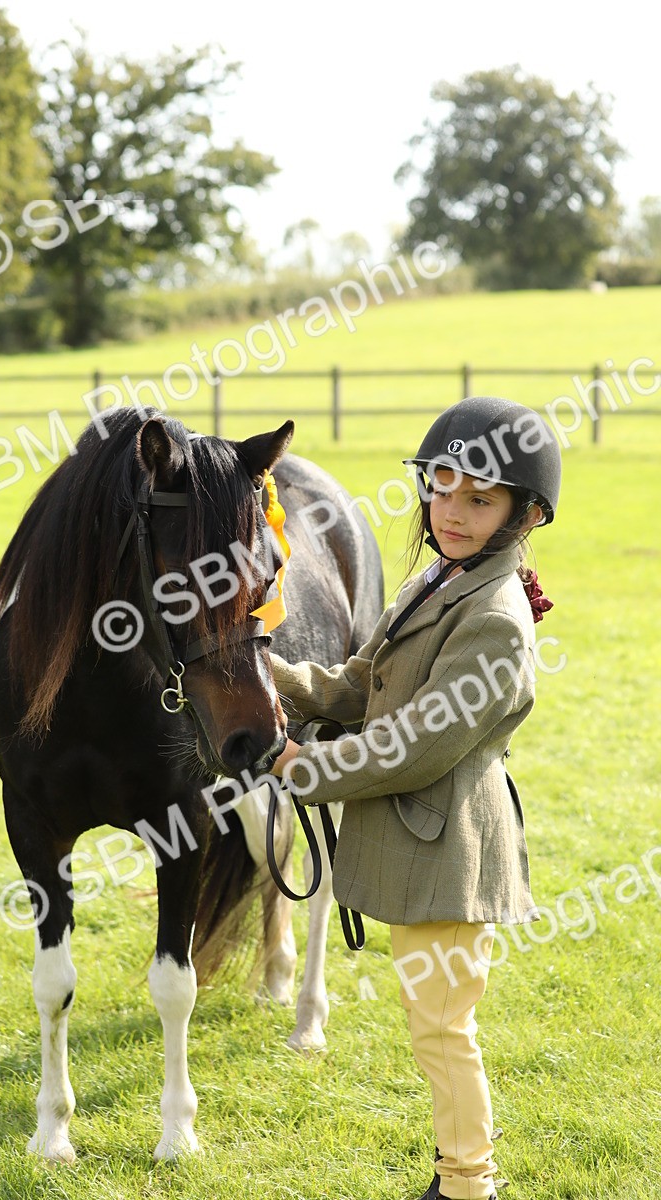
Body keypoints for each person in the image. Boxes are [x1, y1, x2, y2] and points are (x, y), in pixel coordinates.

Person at [269, 396, 562, 1200]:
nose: (452, 510)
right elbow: (364, 683)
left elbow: (408, 748)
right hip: (423, 843)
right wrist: (273, 676)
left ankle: (470, 1186)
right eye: (442, 486)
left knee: (442, 1030)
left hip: (450, 849)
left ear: (523, 514)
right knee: (435, 1026)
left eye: (480, 498)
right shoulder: (439, 576)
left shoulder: (496, 617)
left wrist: (298, 767)